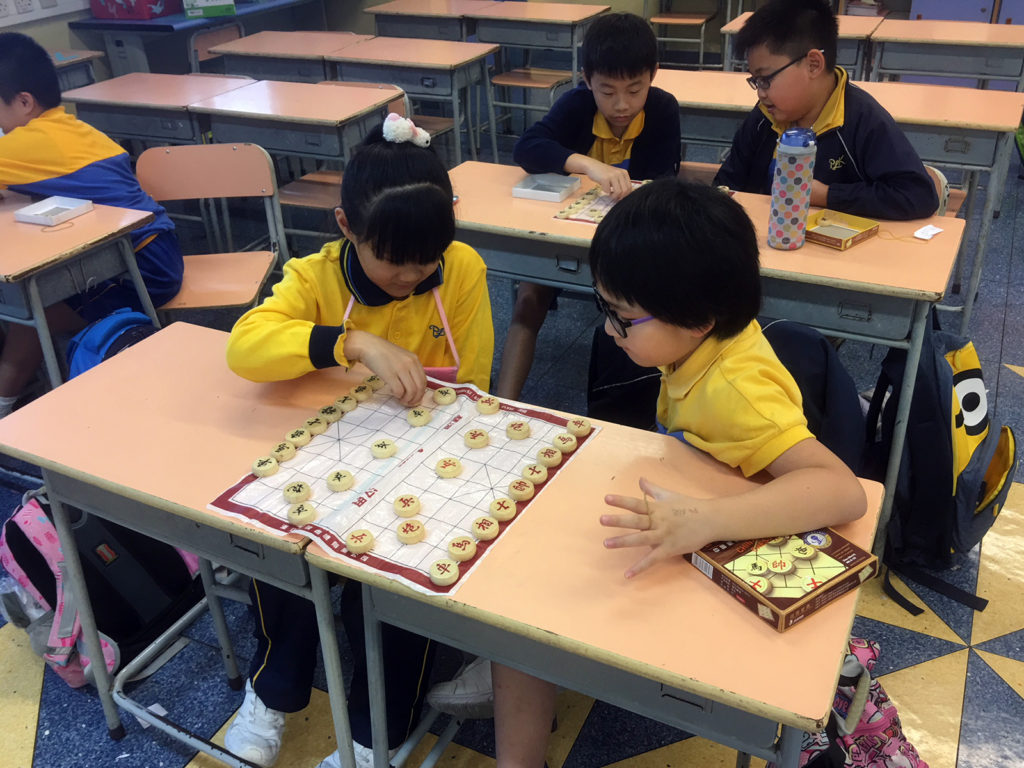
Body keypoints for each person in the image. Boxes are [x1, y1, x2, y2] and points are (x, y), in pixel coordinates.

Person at [491, 180, 867, 768]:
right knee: (531, 589)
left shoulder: (738, 389)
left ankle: (516, 685)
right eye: (604, 310)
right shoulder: (697, 348)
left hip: (733, 575)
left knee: (523, 613)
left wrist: (707, 518)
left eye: (621, 317)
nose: (608, 331)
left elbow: (844, 491)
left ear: (697, 319)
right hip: (693, 524)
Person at [224, 114, 494, 768]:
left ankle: (379, 732)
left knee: (399, 586)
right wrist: (351, 342)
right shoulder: (315, 277)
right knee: (285, 551)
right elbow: (244, 348)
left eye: (427, 259)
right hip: (331, 457)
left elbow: (476, 385)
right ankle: (272, 687)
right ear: (347, 227)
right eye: (395, 262)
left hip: (426, 459)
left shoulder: (461, 270)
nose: (413, 276)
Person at [495, 12, 680, 402]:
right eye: (606, 91)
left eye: (635, 89)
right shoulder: (576, 105)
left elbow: (663, 183)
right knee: (529, 298)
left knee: (647, 309)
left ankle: (637, 402)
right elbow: (527, 148)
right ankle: (503, 402)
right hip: (566, 233)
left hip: (630, 240)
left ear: (653, 75)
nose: (621, 104)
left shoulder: (663, 109)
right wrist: (588, 165)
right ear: (587, 80)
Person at [0, 32, 183, 416]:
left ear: (24, 102)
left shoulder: (28, 143)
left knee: (29, 315)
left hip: (141, 268)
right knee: (27, 305)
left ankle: (9, 404)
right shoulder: (71, 128)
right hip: (151, 249)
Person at [713, 0, 937, 221]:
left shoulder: (862, 119)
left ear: (813, 64)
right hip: (770, 235)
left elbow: (918, 195)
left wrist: (828, 196)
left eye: (766, 79)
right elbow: (725, 186)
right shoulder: (764, 116)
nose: (761, 93)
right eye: (755, 81)